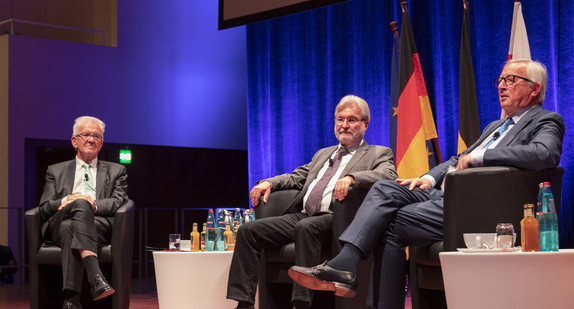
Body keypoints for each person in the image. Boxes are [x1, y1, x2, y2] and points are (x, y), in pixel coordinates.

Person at [288, 59, 564, 309]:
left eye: (511, 80)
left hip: (479, 207)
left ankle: (350, 273)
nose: (502, 86)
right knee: (386, 188)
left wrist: (480, 156)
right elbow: (457, 158)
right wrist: (428, 178)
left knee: (390, 222)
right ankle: (347, 263)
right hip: (445, 196)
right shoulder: (495, 126)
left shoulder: (546, 120)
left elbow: (544, 154)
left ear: (534, 89)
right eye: (500, 80)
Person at [226, 95, 398, 309]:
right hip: (305, 215)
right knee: (248, 231)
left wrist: (353, 178)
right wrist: (268, 183)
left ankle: (302, 303)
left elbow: (389, 174)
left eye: (352, 120)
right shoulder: (324, 154)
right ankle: (244, 302)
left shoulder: (377, 152)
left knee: (305, 227)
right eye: (340, 119)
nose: (344, 125)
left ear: (365, 124)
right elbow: (297, 176)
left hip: (338, 220)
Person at [39, 116, 128, 309]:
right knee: (77, 205)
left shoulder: (117, 170)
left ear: (101, 143)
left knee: (69, 227)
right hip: (59, 218)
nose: (91, 139)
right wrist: (67, 200)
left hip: (98, 225)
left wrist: (92, 204)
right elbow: (44, 208)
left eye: (96, 136)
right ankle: (95, 276)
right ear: (74, 141)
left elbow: (118, 201)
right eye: (86, 134)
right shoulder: (55, 171)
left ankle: (71, 300)